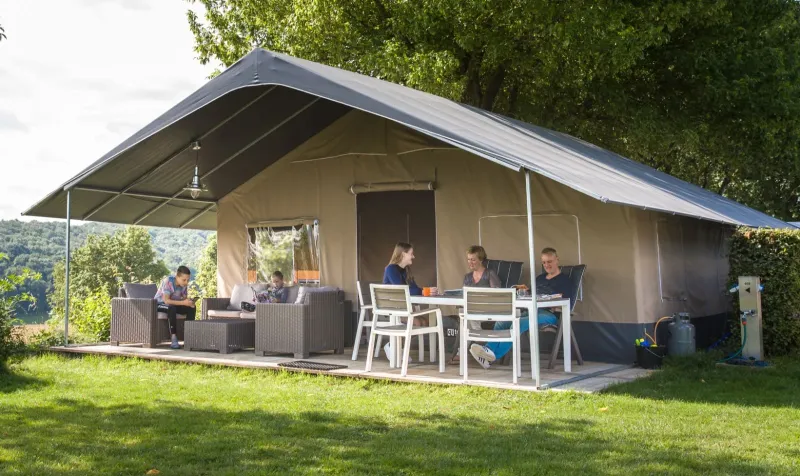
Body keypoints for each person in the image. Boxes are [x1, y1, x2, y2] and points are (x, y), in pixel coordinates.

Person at [469, 247, 572, 369]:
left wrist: (550, 302)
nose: (546, 265)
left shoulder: (565, 280)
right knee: (503, 321)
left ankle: (493, 356)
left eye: (549, 261)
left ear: (557, 260)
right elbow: (531, 295)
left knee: (519, 323)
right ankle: (488, 350)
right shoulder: (539, 278)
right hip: (530, 310)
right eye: (544, 262)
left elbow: (566, 301)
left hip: (550, 314)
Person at [381, 242, 437, 360]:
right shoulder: (391, 269)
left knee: (423, 322)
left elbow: (414, 288)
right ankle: (392, 345)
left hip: (403, 309)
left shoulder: (406, 270)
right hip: (391, 310)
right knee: (417, 322)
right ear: (403, 254)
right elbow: (403, 290)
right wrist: (421, 291)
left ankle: (397, 346)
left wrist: (426, 291)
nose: (413, 256)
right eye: (411, 253)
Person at [155, 265, 196, 349]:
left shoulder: (184, 285)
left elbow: (183, 299)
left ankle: (188, 338)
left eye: (188, 280)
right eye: (184, 280)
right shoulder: (168, 281)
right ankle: (173, 338)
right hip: (159, 304)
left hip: (173, 304)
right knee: (171, 308)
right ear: (177, 276)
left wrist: (189, 302)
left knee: (192, 308)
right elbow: (166, 301)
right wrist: (183, 302)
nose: (186, 282)